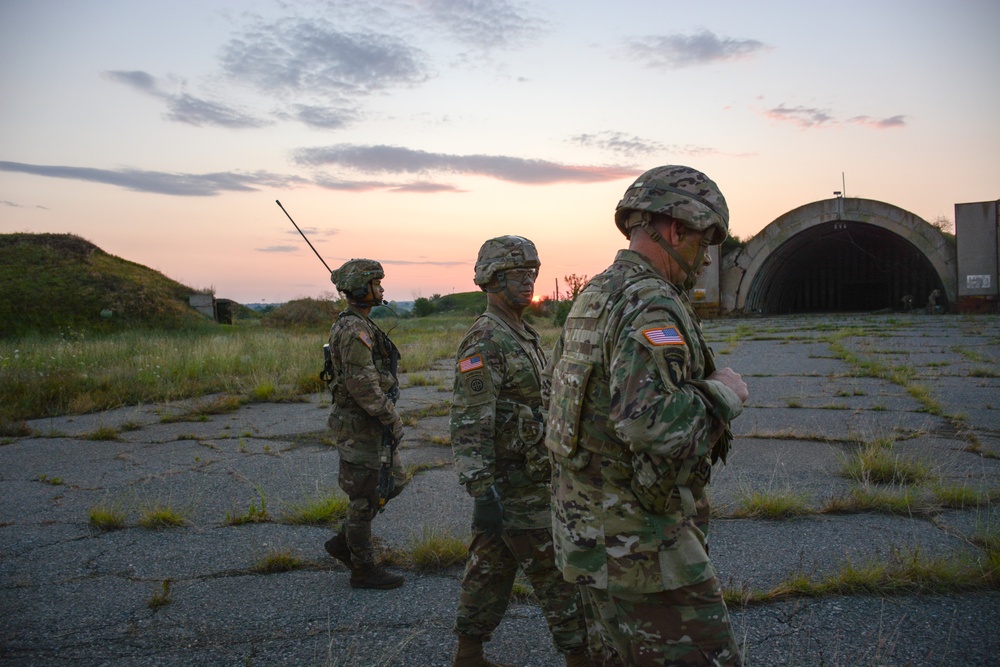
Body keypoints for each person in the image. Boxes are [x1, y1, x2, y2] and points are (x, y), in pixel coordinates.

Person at [544, 166, 749, 666]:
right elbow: (650, 421)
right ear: (675, 229)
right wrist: (724, 394)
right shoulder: (650, 303)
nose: (704, 260)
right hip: (644, 550)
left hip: (588, 535)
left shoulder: (595, 293)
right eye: (703, 244)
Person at [450, 236, 592, 667]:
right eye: (518, 274)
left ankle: (468, 654)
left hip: (530, 475)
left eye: (532, 273)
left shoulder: (521, 332)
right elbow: (470, 420)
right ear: (492, 279)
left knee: (490, 571)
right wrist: (482, 490)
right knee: (559, 577)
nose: (528, 281)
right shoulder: (486, 340)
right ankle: (582, 656)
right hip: (515, 487)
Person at [323, 258, 408, 590]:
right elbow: (363, 388)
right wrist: (391, 418)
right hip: (361, 425)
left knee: (393, 481)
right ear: (361, 289)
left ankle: (345, 542)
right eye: (376, 283)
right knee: (364, 496)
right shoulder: (355, 330)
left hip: (368, 424)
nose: (382, 289)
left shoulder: (360, 324)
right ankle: (363, 568)